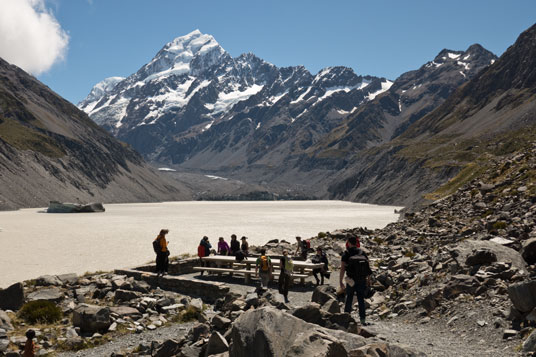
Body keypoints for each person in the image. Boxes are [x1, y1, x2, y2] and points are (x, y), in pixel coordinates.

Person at [339, 236, 373, 325]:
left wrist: (340, 281)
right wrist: (368, 280)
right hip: (362, 279)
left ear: (349, 243)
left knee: (349, 298)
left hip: (350, 280)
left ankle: (346, 318)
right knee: (361, 299)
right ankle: (362, 320)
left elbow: (342, 268)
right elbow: (367, 267)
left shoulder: (346, 253)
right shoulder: (362, 252)